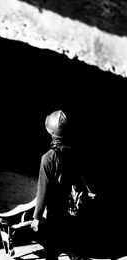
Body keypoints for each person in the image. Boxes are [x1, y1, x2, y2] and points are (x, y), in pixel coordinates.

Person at [31, 109, 89, 260]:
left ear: (51, 132)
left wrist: (36, 217)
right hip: (72, 212)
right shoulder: (74, 153)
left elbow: (42, 191)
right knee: (74, 251)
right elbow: (80, 179)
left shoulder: (47, 159)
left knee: (51, 252)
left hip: (55, 215)